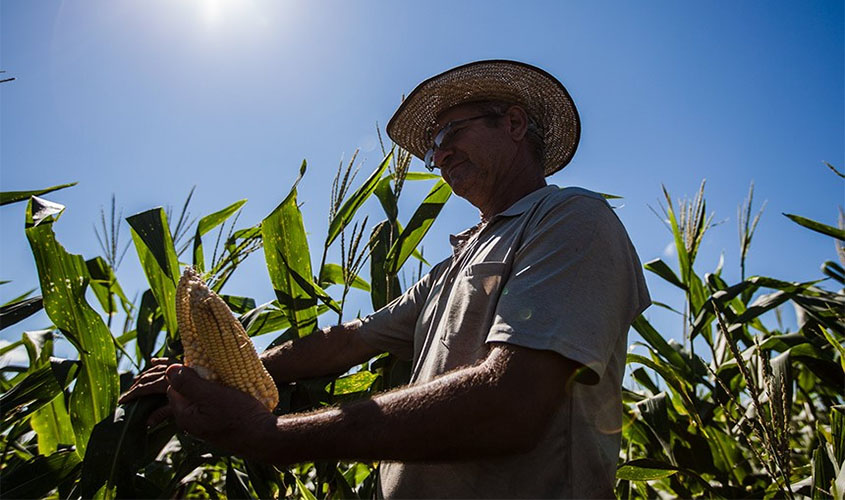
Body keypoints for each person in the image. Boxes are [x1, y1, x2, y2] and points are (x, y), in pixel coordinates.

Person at [121, 59, 650, 499]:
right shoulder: (456, 264)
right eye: (430, 148)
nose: (437, 156)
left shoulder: (572, 222)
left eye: (450, 134)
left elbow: (511, 404)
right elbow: (348, 339)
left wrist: (270, 436)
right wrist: (230, 373)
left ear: (513, 124)